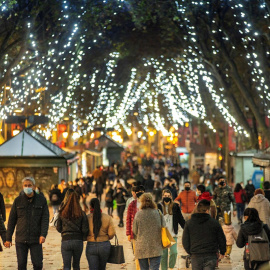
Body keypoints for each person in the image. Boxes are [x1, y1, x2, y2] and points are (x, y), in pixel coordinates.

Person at [5, 176, 49, 270]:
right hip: (21, 239)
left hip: (36, 239)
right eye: (25, 185)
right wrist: (8, 238)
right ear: (22, 186)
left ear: (34, 186)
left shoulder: (41, 200)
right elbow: (11, 220)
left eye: (29, 185)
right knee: (21, 265)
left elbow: (45, 219)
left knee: (37, 265)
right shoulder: (18, 201)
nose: (27, 187)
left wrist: (43, 234)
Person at [182, 199, 226, 270]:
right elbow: (221, 238)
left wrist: (191, 252)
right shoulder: (214, 223)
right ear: (207, 210)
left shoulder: (189, 223)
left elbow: (185, 241)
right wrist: (222, 251)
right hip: (210, 255)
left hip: (196, 256)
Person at [56, 190, 89, 270]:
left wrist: (65, 231)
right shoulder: (82, 213)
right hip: (78, 241)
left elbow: (58, 228)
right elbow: (85, 229)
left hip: (66, 240)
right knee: (76, 265)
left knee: (66, 266)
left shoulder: (62, 212)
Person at [133, 193, 165, 270]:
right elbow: (164, 226)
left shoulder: (138, 214)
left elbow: (134, 230)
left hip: (141, 246)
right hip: (156, 246)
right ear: (152, 201)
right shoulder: (158, 212)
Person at [158, 189, 185, 270]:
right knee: (163, 255)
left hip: (173, 234)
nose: (167, 197)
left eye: (168, 196)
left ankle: (171, 267)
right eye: (165, 196)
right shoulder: (159, 206)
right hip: (163, 235)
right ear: (162, 196)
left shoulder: (175, 206)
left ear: (171, 197)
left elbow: (181, 219)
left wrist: (187, 228)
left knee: (174, 252)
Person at [86, 198, 116, 270]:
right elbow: (112, 233)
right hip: (104, 245)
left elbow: (84, 231)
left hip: (91, 245)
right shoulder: (107, 217)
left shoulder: (87, 218)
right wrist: (106, 237)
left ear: (90, 206)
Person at [126, 185, 145, 270]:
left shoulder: (148, 204)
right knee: (137, 254)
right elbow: (128, 219)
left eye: (141, 191)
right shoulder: (132, 204)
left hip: (146, 234)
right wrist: (128, 233)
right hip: (135, 233)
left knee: (145, 254)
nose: (139, 193)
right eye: (138, 192)